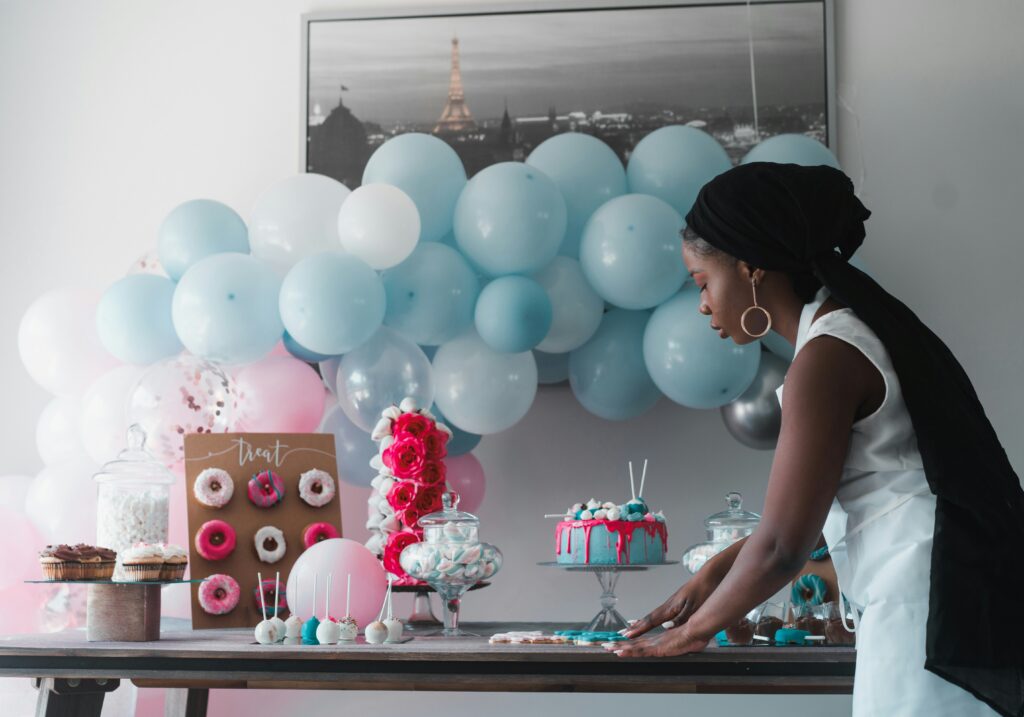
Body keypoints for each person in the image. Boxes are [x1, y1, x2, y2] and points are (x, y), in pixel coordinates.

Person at [608, 163, 1023, 717]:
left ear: (751, 269)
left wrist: (689, 634)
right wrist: (716, 572)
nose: (703, 304)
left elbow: (784, 547)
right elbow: (814, 516)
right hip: (945, 595)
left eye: (703, 282)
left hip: (920, 608)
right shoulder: (852, 332)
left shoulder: (825, 358)